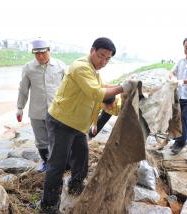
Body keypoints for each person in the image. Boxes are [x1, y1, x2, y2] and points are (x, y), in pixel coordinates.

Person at [38, 37, 138, 213]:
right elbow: (95, 92)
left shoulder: (94, 71)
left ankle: (76, 186)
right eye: (101, 56)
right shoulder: (81, 67)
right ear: (92, 50)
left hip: (78, 126)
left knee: (82, 155)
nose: (104, 61)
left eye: (108, 59)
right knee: (57, 164)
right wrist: (122, 87)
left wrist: (118, 95)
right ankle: (48, 205)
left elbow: (102, 89)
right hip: (62, 122)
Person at [16, 38, 66, 172]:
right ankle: (46, 163)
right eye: (37, 54)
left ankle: (58, 163)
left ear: (49, 51)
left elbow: (68, 89)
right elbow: (23, 89)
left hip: (57, 111)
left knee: (57, 139)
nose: (40, 56)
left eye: (43, 53)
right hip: (37, 111)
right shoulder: (29, 68)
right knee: (41, 140)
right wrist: (20, 108)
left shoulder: (61, 66)